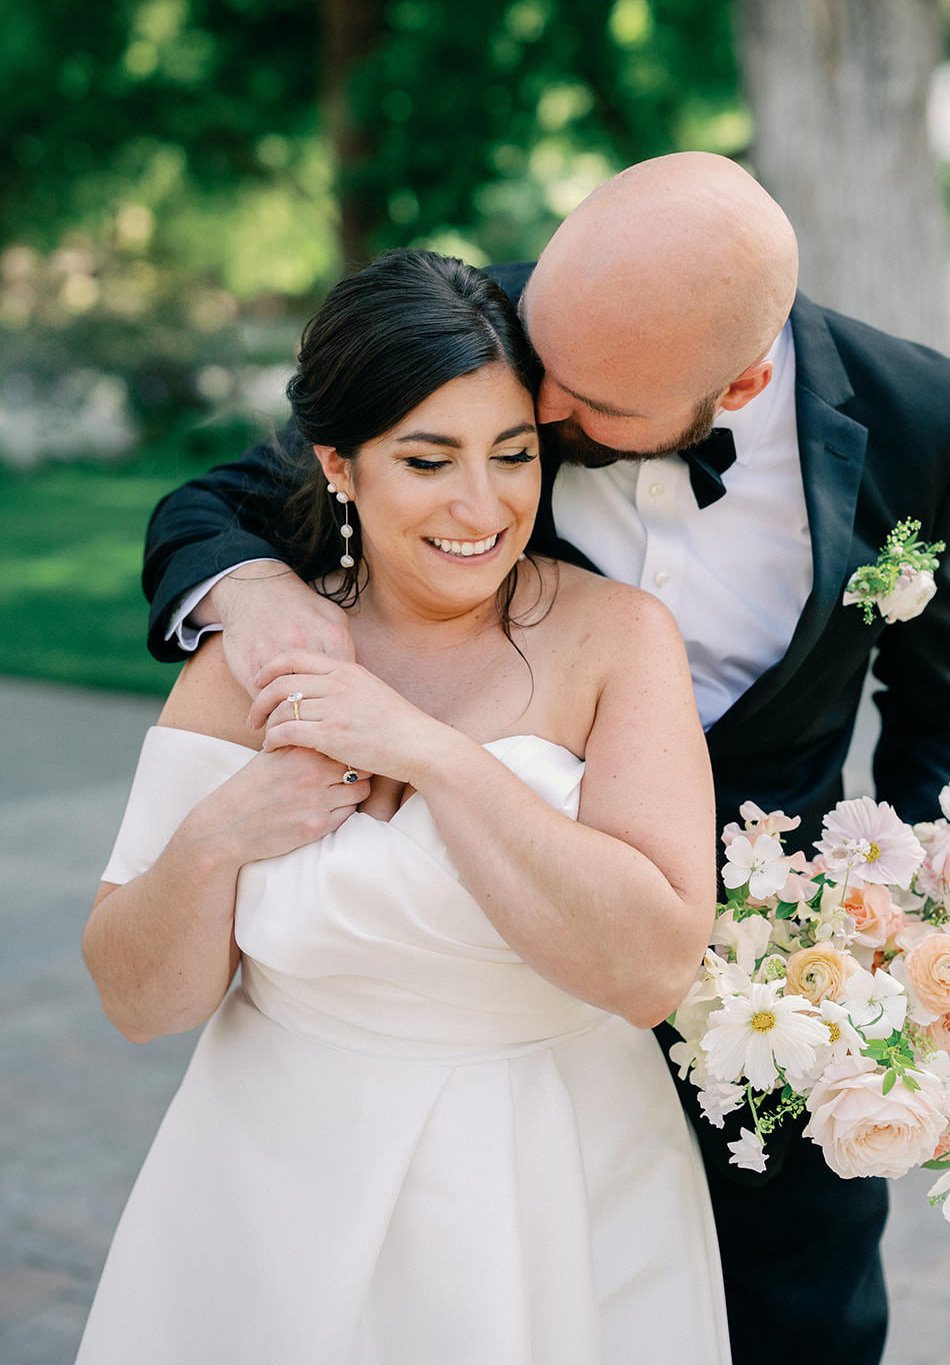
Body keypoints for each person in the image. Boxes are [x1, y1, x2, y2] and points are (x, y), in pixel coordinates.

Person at [141, 153, 950, 1365]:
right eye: (543, 371)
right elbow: (218, 503)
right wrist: (256, 591)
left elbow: (943, 706)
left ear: (740, 379)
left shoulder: (916, 410)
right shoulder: (490, 336)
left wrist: (897, 934)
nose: (539, 415)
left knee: (802, 1314)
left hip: (771, 979)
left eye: (585, 405)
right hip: (496, 953)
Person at [78, 249, 730, 1364]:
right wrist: (221, 833)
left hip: (559, 1180)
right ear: (340, 464)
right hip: (275, 1186)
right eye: (428, 460)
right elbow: (142, 1001)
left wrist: (422, 750)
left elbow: (651, 967)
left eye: (513, 454)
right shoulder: (257, 657)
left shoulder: (617, 639)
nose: (481, 505)